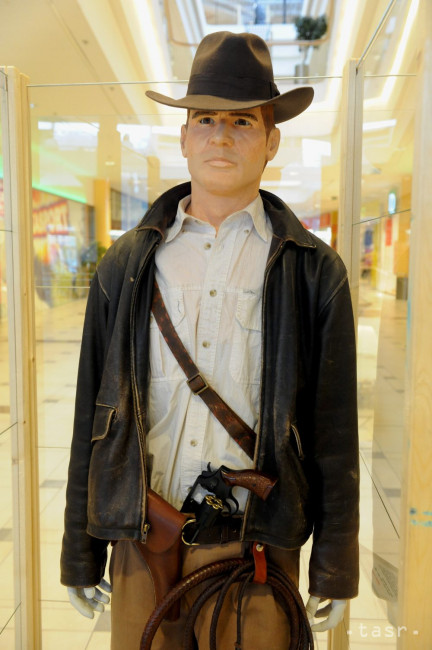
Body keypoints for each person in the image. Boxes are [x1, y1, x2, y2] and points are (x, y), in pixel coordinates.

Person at [61, 31, 359, 649]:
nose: (221, 136)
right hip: (145, 538)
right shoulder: (128, 263)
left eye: (243, 121)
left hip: (257, 547)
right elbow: (94, 412)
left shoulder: (310, 268)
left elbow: (333, 430)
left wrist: (335, 564)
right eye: (205, 119)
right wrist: (79, 552)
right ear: (184, 137)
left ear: (271, 141)